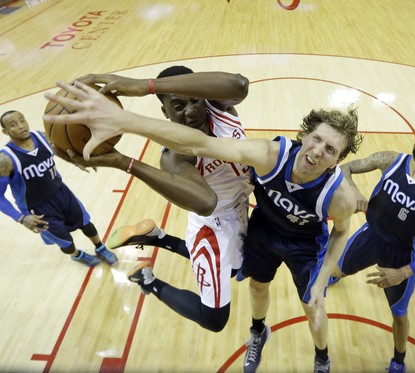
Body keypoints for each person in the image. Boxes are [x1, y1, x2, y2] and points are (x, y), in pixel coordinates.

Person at [43, 80, 363, 373]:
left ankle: (322, 358)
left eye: (330, 150)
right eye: (317, 139)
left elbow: (340, 232)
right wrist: (126, 121)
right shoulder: (269, 154)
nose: (318, 151)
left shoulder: (340, 196)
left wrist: (322, 280)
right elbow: (199, 144)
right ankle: (257, 331)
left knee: (313, 303)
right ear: (304, 135)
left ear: (337, 160)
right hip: (263, 229)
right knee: (255, 285)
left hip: (304, 244)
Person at [58, 67, 254, 333]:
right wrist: (122, 161)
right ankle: (149, 282)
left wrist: (145, 85)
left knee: (233, 271)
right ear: (166, 114)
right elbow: (206, 202)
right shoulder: (174, 155)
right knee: (214, 320)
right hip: (213, 229)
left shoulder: (219, 108)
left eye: (194, 99)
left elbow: (239, 84)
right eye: (178, 105)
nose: (191, 111)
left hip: (240, 210)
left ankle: (157, 238)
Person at [331, 126, 415, 373]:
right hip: (369, 236)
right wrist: (354, 191)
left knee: (399, 315)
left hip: (400, 256)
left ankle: (398, 359)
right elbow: (344, 167)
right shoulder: (391, 160)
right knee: (335, 270)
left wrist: (404, 272)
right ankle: (336, 276)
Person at [0, 110, 118, 267]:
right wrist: (21, 218)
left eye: (22, 120)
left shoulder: (42, 136)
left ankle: (100, 247)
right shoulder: (5, 160)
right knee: (65, 241)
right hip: (38, 209)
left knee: (86, 223)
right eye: (13, 125)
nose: (21, 126)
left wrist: (76, 161)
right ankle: (77, 255)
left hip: (62, 193)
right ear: (5, 131)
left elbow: (56, 152)